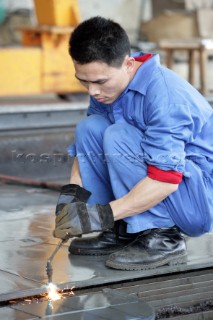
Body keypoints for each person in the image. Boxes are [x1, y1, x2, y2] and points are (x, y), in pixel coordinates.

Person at [53, 16, 213, 271]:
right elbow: (86, 147)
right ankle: (124, 230)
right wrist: (71, 200)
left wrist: (97, 216)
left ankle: (163, 237)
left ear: (128, 64)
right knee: (90, 128)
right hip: (166, 185)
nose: (92, 91)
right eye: (84, 80)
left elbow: (165, 179)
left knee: (118, 136)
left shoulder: (165, 97)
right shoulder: (108, 88)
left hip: (196, 198)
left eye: (99, 82)